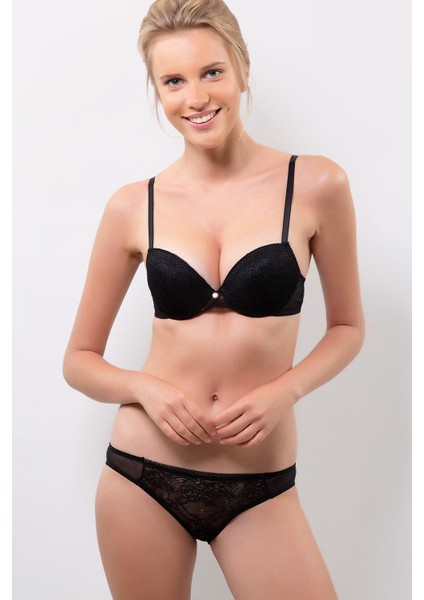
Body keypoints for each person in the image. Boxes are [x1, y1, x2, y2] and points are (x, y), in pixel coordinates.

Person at [63, 0, 365, 598]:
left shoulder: (315, 184)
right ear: (157, 92)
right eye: (173, 81)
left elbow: (348, 328)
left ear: (242, 69)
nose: (196, 98)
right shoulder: (133, 205)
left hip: (259, 483)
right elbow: (78, 360)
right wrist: (145, 389)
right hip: (142, 474)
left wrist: (285, 390)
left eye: (211, 72)